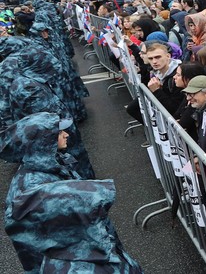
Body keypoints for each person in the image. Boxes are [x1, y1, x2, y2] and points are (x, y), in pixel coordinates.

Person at [2, 113, 143, 273]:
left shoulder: (52, 162)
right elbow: (32, 245)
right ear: (43, 141)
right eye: (59, 132)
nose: (66, 134)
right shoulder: (31, 188)